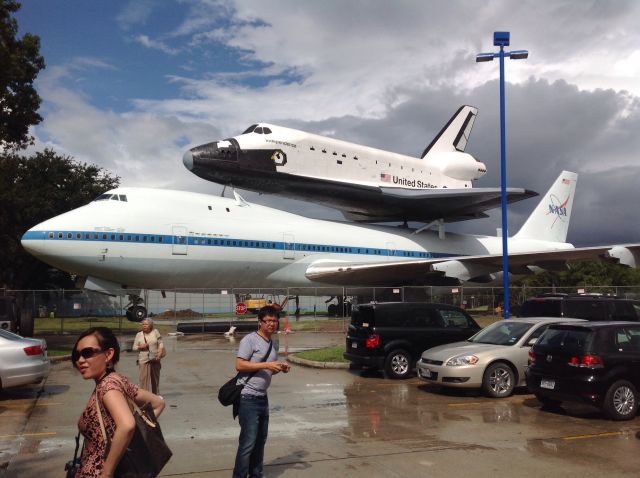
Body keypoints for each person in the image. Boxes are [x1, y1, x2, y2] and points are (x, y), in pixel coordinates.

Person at [73, 327, 165, 478]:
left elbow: (127, 424)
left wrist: (107, 473)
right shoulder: (117, 380)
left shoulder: (107, 387)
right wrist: (130, 442)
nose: (80, 360)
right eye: (77, 355)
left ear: (108, 354)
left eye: (87, 353)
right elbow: (158, 403)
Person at [232, 305, 291, 478]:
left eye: (275, 321)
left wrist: (279, 368)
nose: (272, 324)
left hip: (262, 398)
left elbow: (267, 369)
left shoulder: (273, 342)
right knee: (248, 443)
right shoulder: (249, 340)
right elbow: (240, 365)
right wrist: (267, 365)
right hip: (247, 398)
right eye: (268, 321)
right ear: (260, 322)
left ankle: (256, 474)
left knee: (260, 441)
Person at [133, 318, 164, 394]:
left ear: (150, 325)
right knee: (143, 380)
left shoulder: (155, 332)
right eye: (143, 324)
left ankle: (156, 395)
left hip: (155, 358)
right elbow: (134, 348)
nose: (144, 326)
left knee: (155, 379)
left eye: (146, 324)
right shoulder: (139, 334)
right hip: (143, 360)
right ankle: (144, 396)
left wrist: (160, 353)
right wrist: (140, 347)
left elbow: (161, 343)